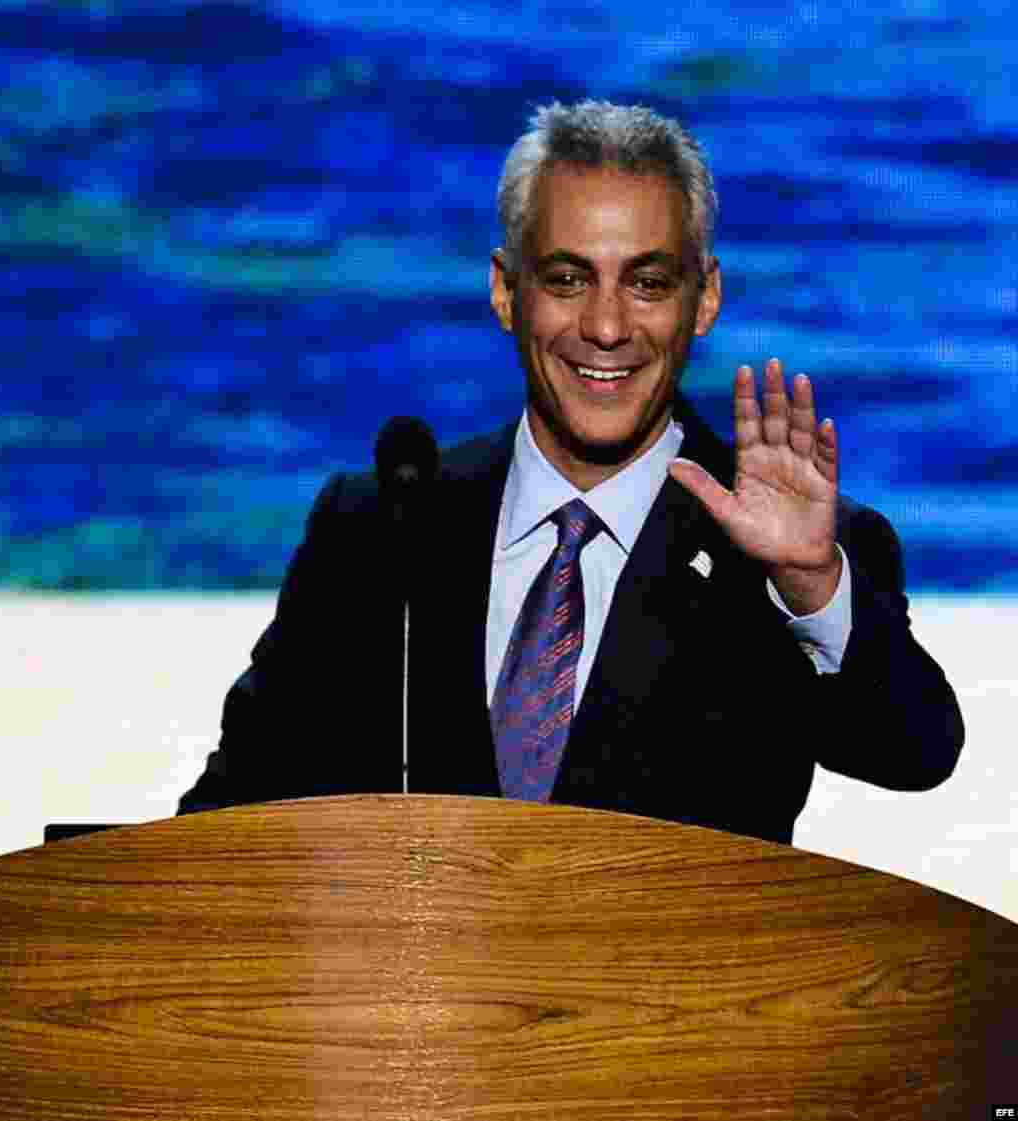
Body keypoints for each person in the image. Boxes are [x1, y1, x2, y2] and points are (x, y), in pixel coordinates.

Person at [178, 100, 963, 845]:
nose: (607, 326)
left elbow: (915, 750)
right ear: (505, 291)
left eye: (648, 282)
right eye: (566, 278)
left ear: (706, 298)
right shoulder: (377, 525)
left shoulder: (790, 552)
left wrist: (811, 587)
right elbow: (225, 817)